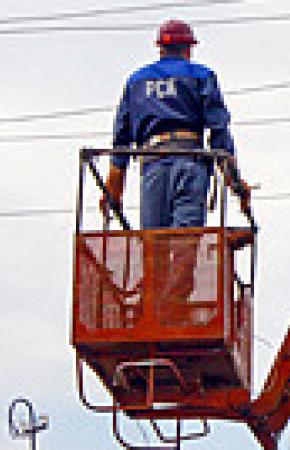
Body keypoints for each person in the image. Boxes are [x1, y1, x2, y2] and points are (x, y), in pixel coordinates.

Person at [100, 19, 249, 325]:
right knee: (185, 240)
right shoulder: (201, 76)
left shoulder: (136, 81)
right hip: (190, 162)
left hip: (152, 166)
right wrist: (235, 183)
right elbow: (219, 132)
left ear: (160, 48)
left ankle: (153, 308)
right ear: (188, 49)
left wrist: (113, 189)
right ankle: (174, 308)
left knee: (154, 243)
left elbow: (121, 142)